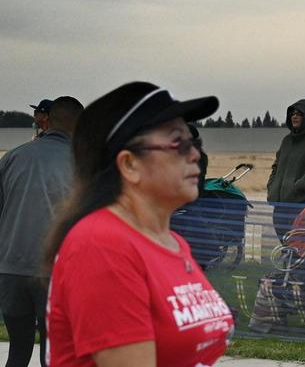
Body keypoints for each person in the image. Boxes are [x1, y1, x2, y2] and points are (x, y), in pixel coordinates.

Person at [44, 82, 234, 366]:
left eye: (194, 143)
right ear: (130, 164)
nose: (195, 155)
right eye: (177, 143)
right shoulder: (102, 244)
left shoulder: (172, 242)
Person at [0, 96, 83, 367]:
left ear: (47, 121)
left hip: (12, 270)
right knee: (55, 353)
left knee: (18, 349)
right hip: (56, 272)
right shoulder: (85, 164)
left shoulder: (13, 157)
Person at [266, 99, 305, 242]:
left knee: (301, 248)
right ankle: (286, 264)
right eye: (293, 114)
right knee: (285, 247)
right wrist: (272, 187)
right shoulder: (286, 141)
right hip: (280, 207)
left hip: (302, 206)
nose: (294, 117)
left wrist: (299, 185)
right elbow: (276, 167)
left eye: (299, 114)